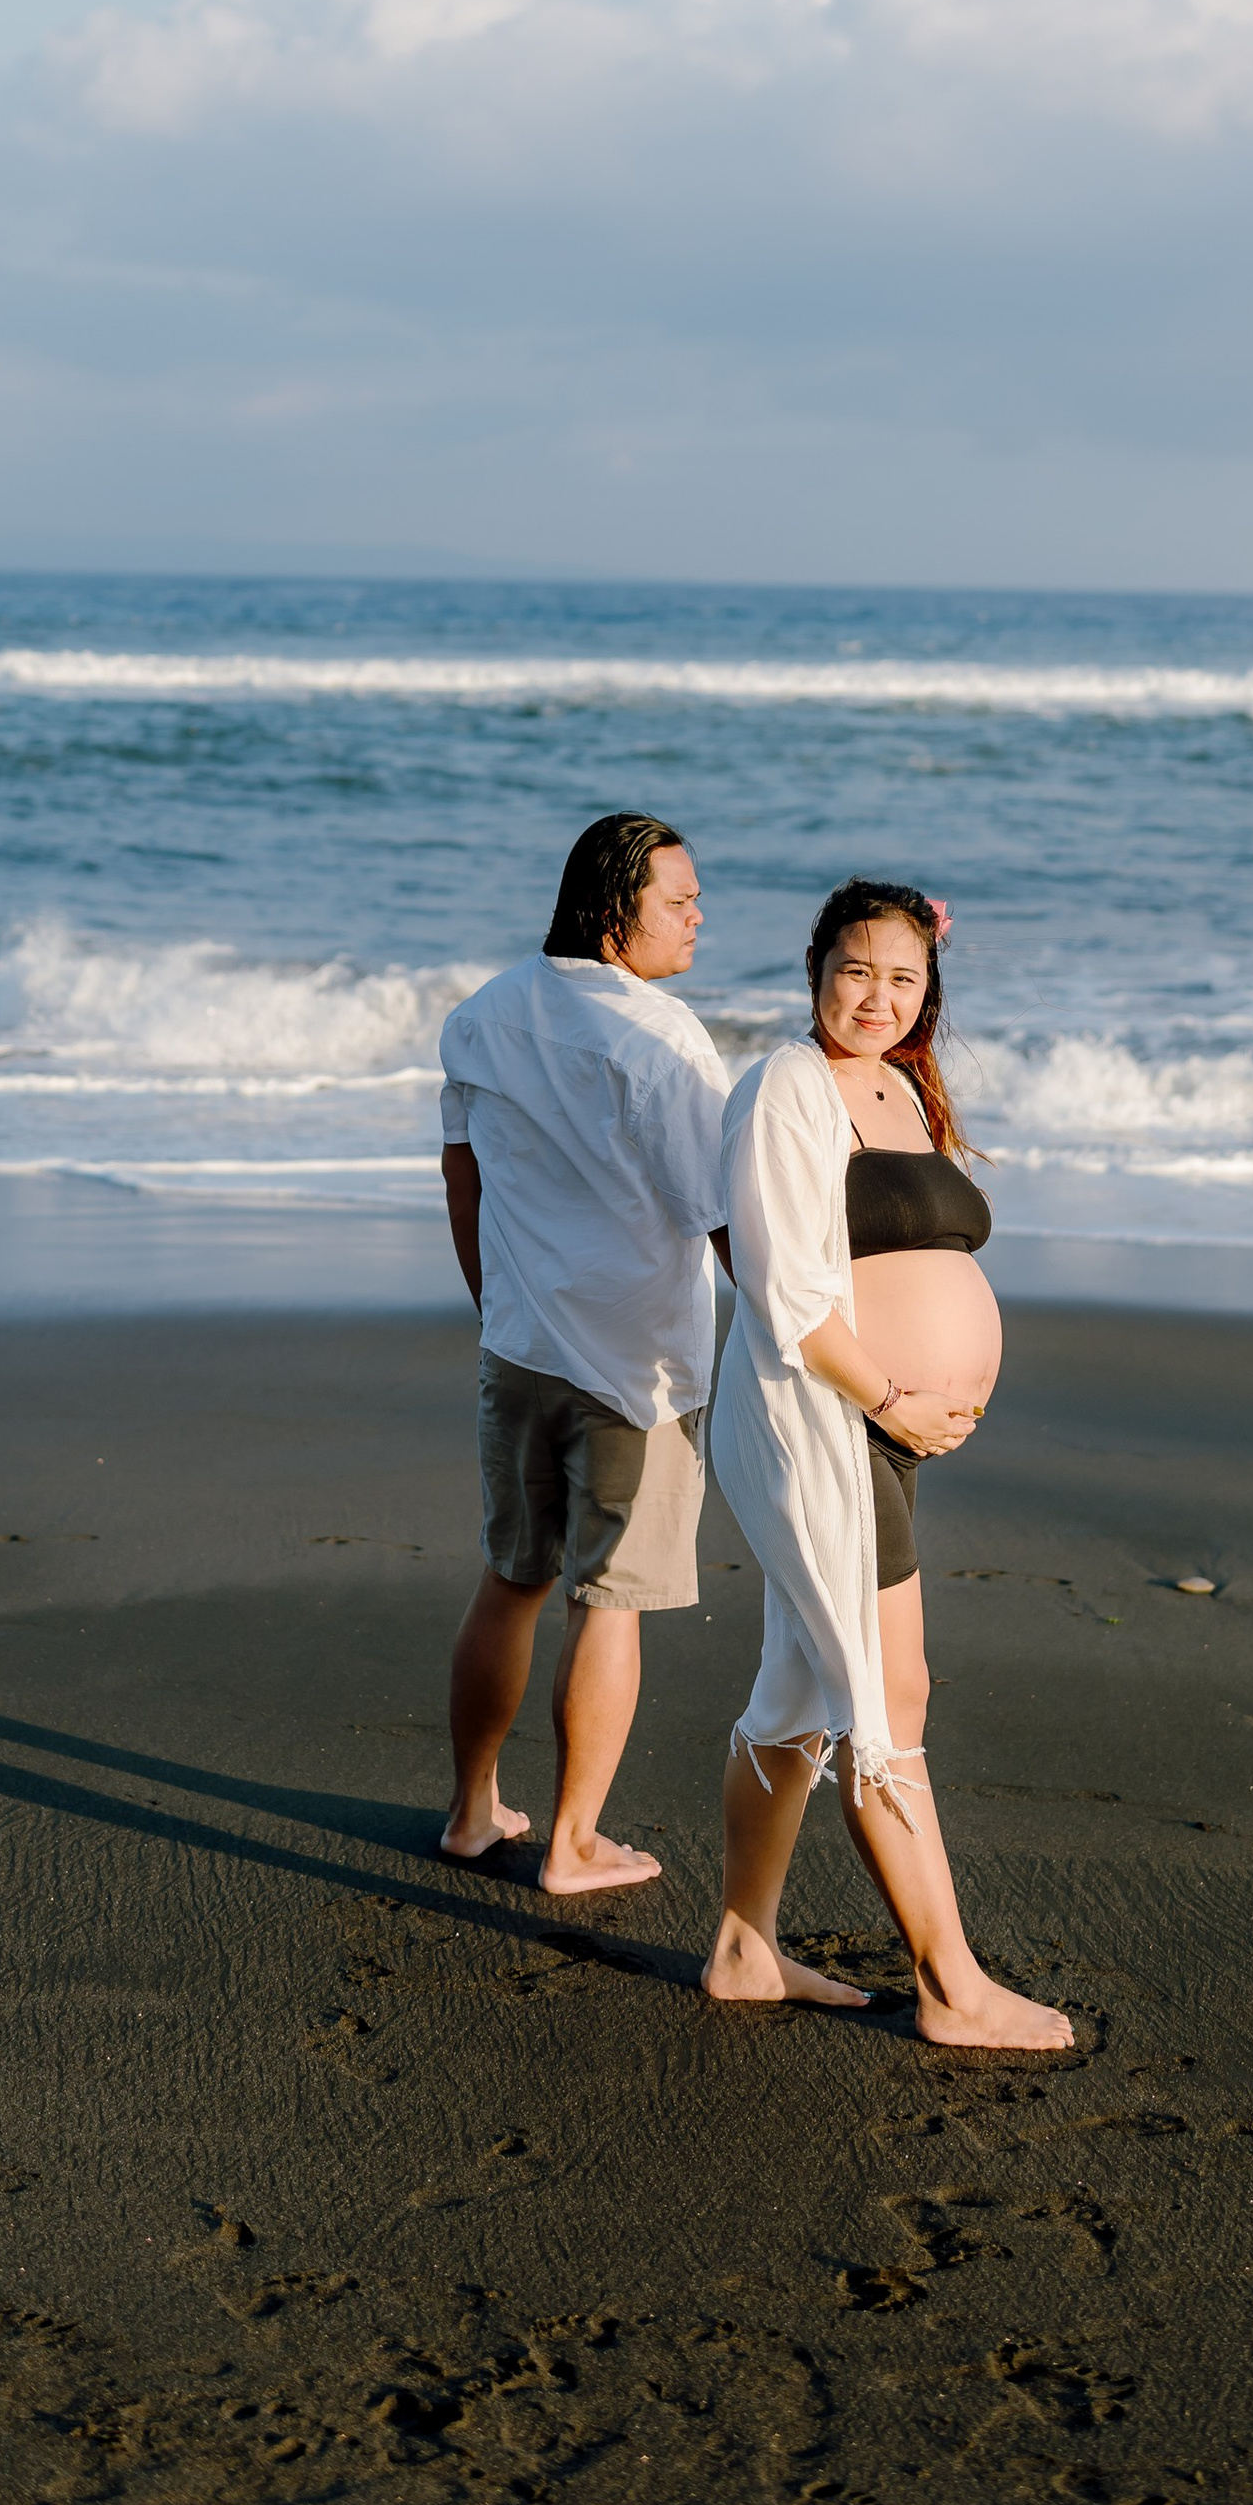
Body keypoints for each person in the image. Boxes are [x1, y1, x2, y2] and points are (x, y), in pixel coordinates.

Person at [702, 876, 1074, 2047]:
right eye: (856, 969)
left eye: (902, 976)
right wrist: (895, 1399)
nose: (876, 995)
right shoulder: (783, 1088)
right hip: (824, 1423)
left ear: (930, 988)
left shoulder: (907, 1091)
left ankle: (743, 1950)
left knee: (800, 1694)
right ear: (815, 968)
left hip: (887, 1427)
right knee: (885, 1695)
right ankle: (952, 1987)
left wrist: (924, 1402)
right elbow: (781, 1291)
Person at [436, 811, 731, 1895]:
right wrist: (802, 1344)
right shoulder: (661, 1037)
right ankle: (570, 1842)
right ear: (616, 914)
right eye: (678, 900)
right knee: (607, 1601)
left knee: (511, 1578)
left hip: (517, 1347)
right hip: (634, 1368)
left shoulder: (482, 1013)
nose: (699, 915)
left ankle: (473, 1813)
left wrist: (495, 1305)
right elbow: (718, 1215)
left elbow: (460, 1177)